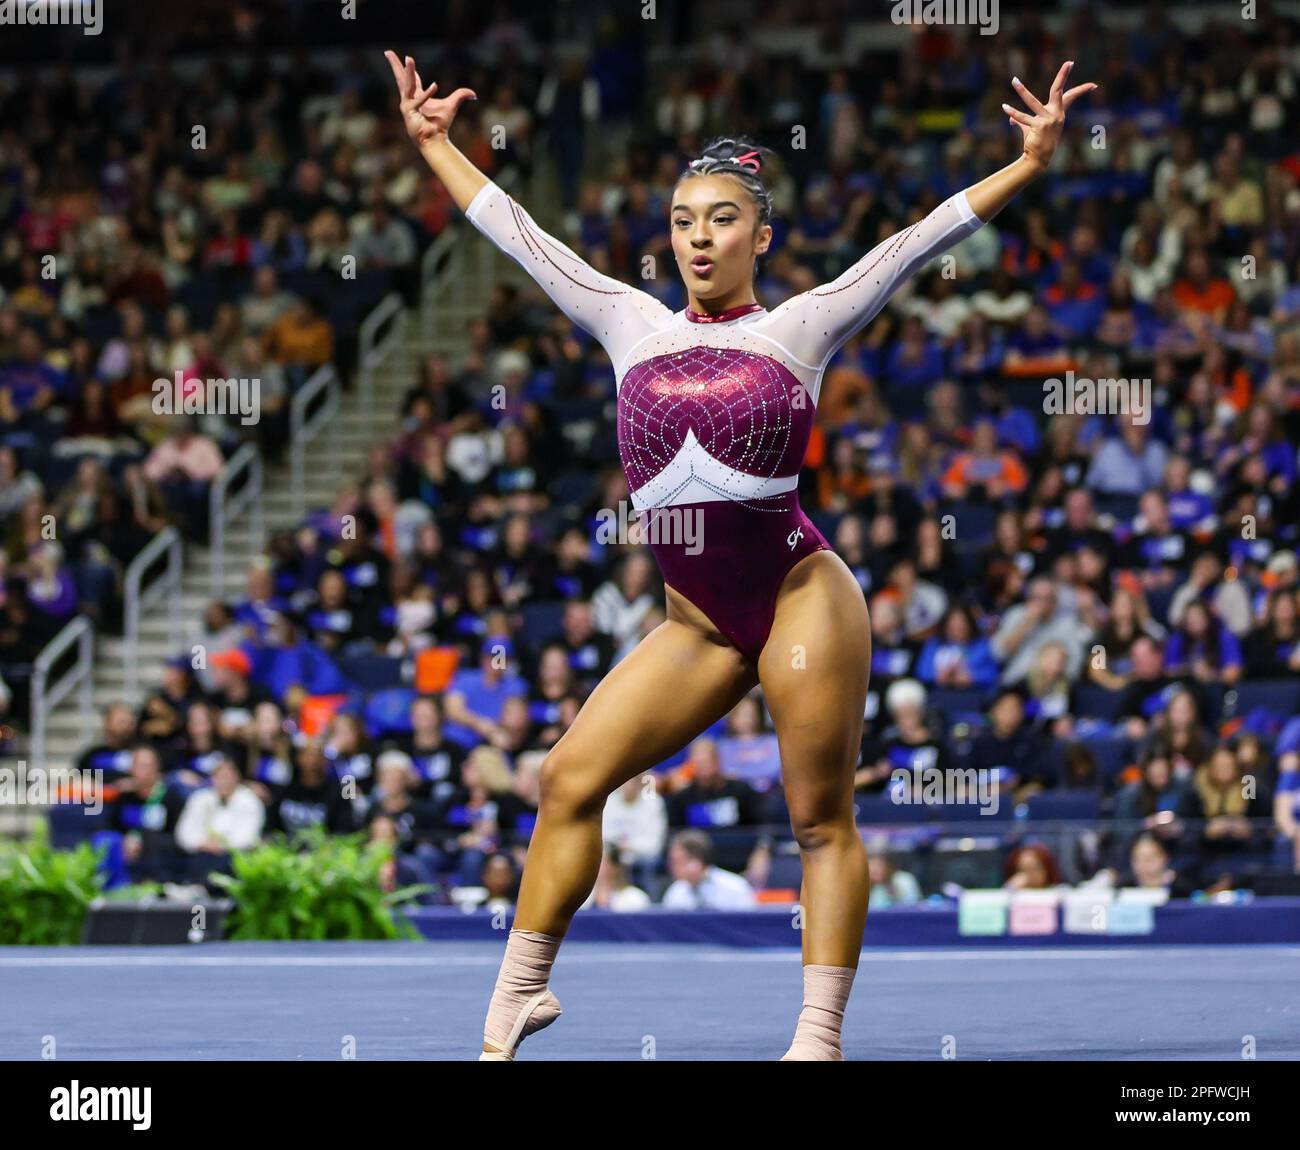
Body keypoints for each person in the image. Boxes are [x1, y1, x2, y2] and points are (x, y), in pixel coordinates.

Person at [384, 49, 1096, 1060]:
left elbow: (913, 242)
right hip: (698, 624)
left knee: (817, 820)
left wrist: (1025, 165)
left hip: (801, 594)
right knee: (564, 778)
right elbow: (519, 234)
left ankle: (816, 1035)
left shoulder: (800, 327)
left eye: (721, 219)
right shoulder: (625, 321)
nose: (698, 239)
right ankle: (519, 993)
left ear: (760, 233)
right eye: (681, 222)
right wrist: (436, 147)